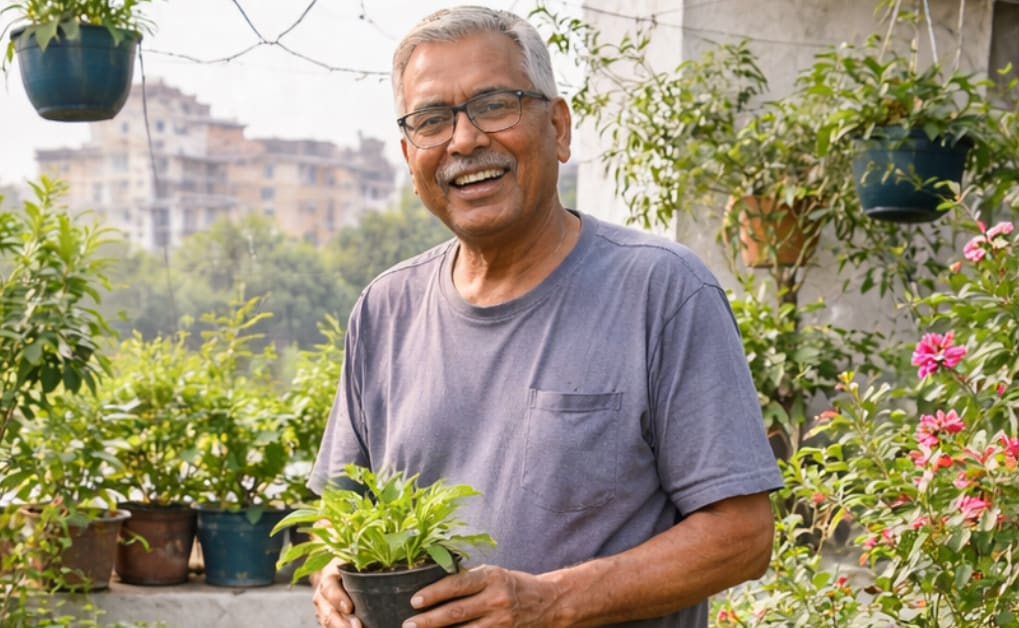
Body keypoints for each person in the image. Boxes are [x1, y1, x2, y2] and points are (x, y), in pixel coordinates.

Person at [308, 6, 783, 627]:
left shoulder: (661, 290)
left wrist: (552, 601)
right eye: (432, 120)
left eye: (495, 105)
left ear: (558, 127)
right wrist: (332, 577)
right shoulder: (385, 308)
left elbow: (742, 537)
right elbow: (334, 518)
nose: (464, 139)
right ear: (408, 154)